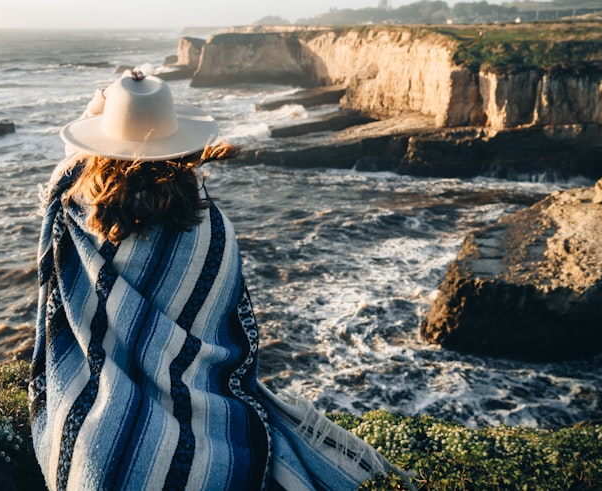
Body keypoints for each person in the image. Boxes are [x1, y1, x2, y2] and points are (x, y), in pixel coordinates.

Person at [29, 70, 404, 490]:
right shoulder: (212, 230)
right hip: (212, 433)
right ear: (183, 150)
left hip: (95, 441)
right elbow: (229, 336)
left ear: (100, 144)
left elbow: (69, 164)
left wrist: (104, 103)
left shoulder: (76, 213)